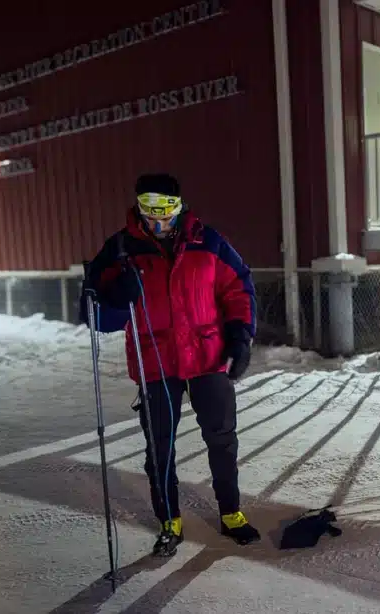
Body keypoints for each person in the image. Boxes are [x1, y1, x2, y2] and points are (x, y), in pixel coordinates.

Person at [84, 173, 259, 557]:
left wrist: (240, 336)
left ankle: (230, 512)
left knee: (222, 438)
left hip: (208, 358)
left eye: (165, 213)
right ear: (139, 208)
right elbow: (95, 312)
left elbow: (238, 288)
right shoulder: (120, 249)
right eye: (150, 213)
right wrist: (115, 296)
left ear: (178, 208)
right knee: (159, 446)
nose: (158, 223)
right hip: (156, 364)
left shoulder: (208, 241)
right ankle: (170, 519)